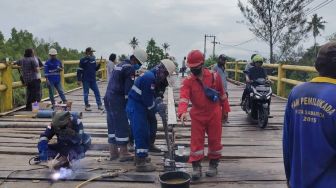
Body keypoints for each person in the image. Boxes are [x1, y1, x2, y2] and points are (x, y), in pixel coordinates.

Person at [283, 41, 336, 188]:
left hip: (298, 181)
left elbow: (287, 143)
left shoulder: (296, 92)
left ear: (318, 64)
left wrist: (289, 178)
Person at [177, 50, 230, 180]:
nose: (193, 70)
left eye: (196, 67)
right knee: (196, 142)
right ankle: (196, 167)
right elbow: (184, 97)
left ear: (202, 64)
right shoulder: (188, 81)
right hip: (197, 115)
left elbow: (222, 94)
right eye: (191, 68)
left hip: (214, 113)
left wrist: (225, 111)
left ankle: (213, 165)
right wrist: (182, 112)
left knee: (215, 140)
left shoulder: (215, 76)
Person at [127, 59, 176, 172]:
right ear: (162, 70)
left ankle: (139, 156)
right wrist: (157, 108)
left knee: (144, 132)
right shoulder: (149, 78)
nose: (165, 78)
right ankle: (141, 163)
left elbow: (150, 97)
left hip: (138, 105)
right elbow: (148, 101)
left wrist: (157, 102)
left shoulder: (151, 76)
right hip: (136, 107)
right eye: (166, 75)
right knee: (141, 133)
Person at [104, 48, 147, 162]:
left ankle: (113, 152)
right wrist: (130, 107)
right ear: (135, 60)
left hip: (108, 96)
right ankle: (123, 152)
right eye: (138, 63)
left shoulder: (120, 64)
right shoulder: (129, 69)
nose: (138, 65)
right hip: (117, 99)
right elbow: (128, 91)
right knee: (121, 124)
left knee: (112, 124)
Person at [77, 47, 103, 111]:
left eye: (92, 52)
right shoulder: (82, 60)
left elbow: (95, 69)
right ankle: (87, 106)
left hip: (93, 79)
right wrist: (79, 80)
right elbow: (79, 70)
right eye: (91, 52)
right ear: (88, 52)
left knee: (97, 92)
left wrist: (99, 64)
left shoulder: (93, 59)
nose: (92, 53)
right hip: (86, 79)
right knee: (86, 93)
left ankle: (99, 105)